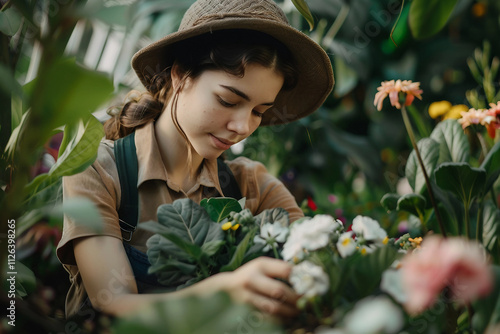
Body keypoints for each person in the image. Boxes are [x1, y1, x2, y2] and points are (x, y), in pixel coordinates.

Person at [56, 0, 334, 321]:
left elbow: (315, 257)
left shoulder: (250, 185)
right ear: (179, 76)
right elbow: (113, 302)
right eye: (228, 100)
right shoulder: (98, 169)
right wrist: (225, 292)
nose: (243, 127)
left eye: (259, 111)